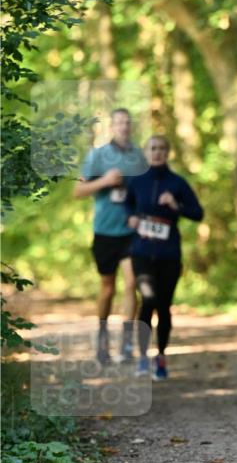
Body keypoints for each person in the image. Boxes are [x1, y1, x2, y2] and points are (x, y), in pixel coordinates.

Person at [124, 136, 203, 380]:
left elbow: (197, 213)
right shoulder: (136, 181)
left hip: (169, 253)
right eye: (152, 149)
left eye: (161, 148)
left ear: (167, 152)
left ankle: (161, 356)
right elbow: (127, 205)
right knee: (147, 299)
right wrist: (132, 218)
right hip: (142, 252)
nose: (157, 153)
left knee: (163, 306)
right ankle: (142, 358)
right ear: (146, 153)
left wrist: (175, 204)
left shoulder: (177, 183)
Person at [74, 108, 147, 364]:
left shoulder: (140, 157)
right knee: (107, 288)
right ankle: (102, 339)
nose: (124, 127)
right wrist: (104, 181)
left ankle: (126, 345)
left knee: (131, 283)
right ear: (112, 127)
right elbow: (78, 190)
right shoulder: (97, 156)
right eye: (119, 123)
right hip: (105, 231)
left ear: (131, 126)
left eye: (127, 123)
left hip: (131, 231)